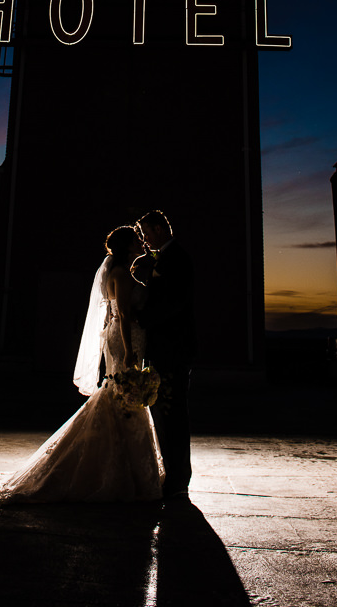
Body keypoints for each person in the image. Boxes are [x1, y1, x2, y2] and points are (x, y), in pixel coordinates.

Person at [0, 226, 164, 504]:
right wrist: (130, 351)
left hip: (124, 336)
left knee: (119, 393)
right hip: (124, 339)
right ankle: (120, 472)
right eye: (136, 239)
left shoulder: (124, 272)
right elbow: (123, 314)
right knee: (121, 392)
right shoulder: (119, 274)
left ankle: (127, 468)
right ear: (127, 247)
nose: (141, 242)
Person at [135, 210, 195, 498]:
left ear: (159, 229)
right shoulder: (161, 259)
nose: (145, 240)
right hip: (162, 349)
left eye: (147, 233)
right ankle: (172, 472)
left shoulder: (178, 259)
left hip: (173, 350)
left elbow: (175, 303)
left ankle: (178, 477)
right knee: (163, 412)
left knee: (172, 413)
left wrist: (141, 319)